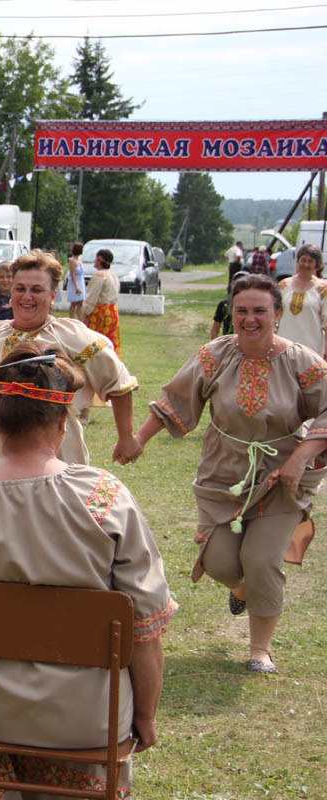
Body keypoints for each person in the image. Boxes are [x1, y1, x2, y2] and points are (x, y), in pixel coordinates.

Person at [0, 343, 176, 797]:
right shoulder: (105, 498)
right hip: (91, 718)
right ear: (62, 422)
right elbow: (145, 631)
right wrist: (144, 717)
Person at [129, 272, 327, 674]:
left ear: (276, 315)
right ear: (231, 312)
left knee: (261, 560)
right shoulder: (215, 355)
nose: (249, 319)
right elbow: (177, 398)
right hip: (224, 475)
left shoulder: (301, 361)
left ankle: (260, 650)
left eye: (259, 311)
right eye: (242, 311)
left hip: (281, 480)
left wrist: (301, 455)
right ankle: (241, 588)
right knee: (220, 562)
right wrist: (138, 439)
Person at [0, 250, 140, 467]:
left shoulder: (73, 336)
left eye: (37, 290)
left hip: (54, 450)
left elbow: (119, 384)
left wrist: (126, 437)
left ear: (53, 296)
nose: (26, 297)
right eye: (20, 288)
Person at [276, 244, 326, 358]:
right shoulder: (284, 285)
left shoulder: (323, 289)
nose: (306, 264)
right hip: (284, 346)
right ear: (297, 261)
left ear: (316, 265)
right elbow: (274, 315)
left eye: (310, 261)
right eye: (303, 260)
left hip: (312, 349)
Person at [83, 247, 122, 355]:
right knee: (110, 340)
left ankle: (92, 363)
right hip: (112, 311)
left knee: (95, 340)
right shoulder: (114, 275)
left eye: (97, 259)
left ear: (100, 260)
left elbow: (92, 297)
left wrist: (85, 312)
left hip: (100, 312)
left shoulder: (99, 275)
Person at [65, 242, 85, 319]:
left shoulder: (80, 260)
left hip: (81, 281)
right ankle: (71, 318)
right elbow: (72, 274)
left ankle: (80, 319)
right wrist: (76, 287)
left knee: (80, 303)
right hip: (74, 283)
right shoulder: (72, 261)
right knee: (73, 303)